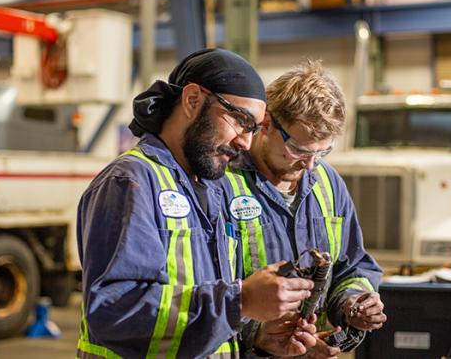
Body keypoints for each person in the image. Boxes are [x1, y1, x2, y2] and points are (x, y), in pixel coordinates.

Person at [76, 48, 318, 359]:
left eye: (253, 129)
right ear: (192, 100)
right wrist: (239, 301)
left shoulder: (212, 188)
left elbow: (199, 310)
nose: (245, 142)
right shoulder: (131, 182)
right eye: (240, 120)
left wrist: (256, 336)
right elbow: (113, 311)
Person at [222, 60, 387, 358]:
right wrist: (257, 334)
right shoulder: (221, 184)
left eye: (322, 151)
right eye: (298, 150)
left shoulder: (327, 181)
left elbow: (353, 265)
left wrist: (353, 303)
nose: (309, 165)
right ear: (267, 123)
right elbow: (203, 293)